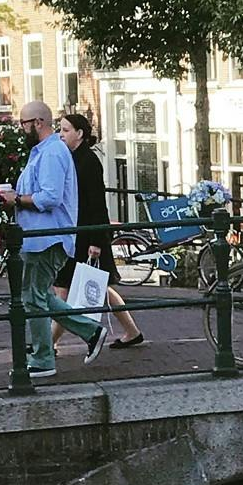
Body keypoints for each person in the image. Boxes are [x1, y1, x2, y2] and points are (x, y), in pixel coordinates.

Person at [0, 101, 103, 376]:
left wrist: (16, 200)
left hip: (47, 239)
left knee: (32, 298)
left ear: (38, 122)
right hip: (40, 238)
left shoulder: (52, 153)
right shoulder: (43, 152)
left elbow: (50, 197)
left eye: (23, 123)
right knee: (39, 294)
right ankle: (91, 332)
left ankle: (43, 360)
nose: (21, 129)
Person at [53, 113, 143, 350]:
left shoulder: (88, 162)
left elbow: (96, 202)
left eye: (65, 130)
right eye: (60, 130)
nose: (60, 135)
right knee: (100, 286)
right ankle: (132, 331)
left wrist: (96, 239)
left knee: (63, 289)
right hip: (80, 233)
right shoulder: (73, 159)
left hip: (86, 235)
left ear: (79, 134)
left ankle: (48, 344)